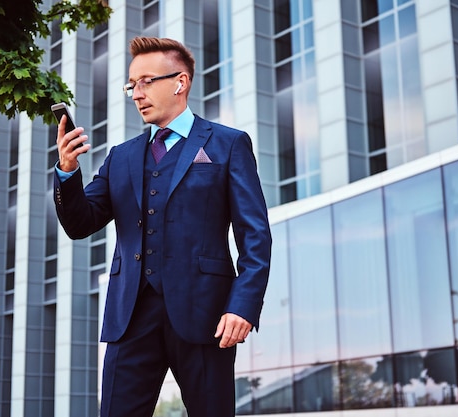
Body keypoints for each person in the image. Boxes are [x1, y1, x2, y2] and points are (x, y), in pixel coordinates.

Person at [53, 36, 272, 417]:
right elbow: (80, 223)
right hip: (130, 316)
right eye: (131, 85)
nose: (136, 94)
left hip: (207, 316)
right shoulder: (121, 157)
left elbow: (254, 235)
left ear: (180, 82)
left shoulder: (228, 144)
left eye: (146, 81)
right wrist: (68, 172)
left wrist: (244, 305)